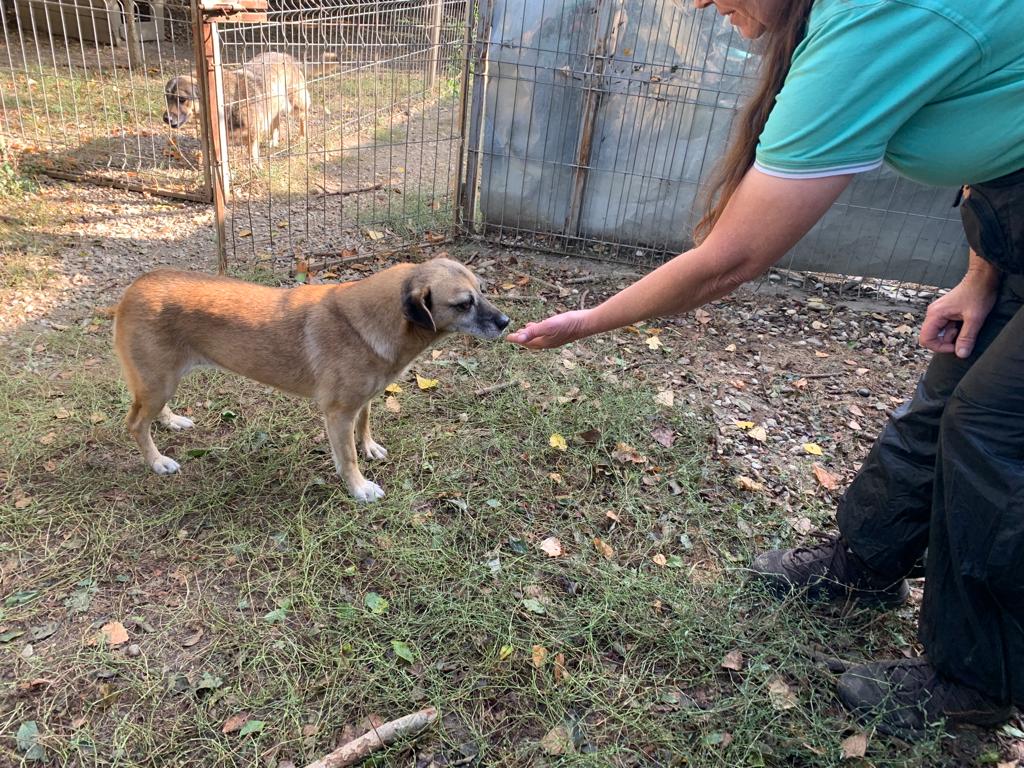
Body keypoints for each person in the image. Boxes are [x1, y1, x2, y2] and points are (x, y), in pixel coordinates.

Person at [507, 0, 1024, 741]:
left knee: (995, 433)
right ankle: (865, 564)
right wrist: (982, 274)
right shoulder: (845, 22)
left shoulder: (877, 18)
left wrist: (587, 322)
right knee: (946, 394)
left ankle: (974, 685)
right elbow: (997, 146)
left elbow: (731, 259)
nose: (698, 3)